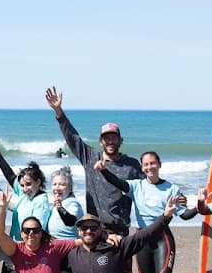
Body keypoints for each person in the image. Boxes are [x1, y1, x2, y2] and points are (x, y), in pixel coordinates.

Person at [44, 87, 141, 235]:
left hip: (120, 230)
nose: (110, 141)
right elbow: (73, 138)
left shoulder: (132, 165)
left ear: (120, 140)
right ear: (101, 142)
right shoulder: (91, 158)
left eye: (114, 137)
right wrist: (58, 111)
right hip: (95, 230)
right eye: (106, 138)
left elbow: (146, 192)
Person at [47, 166, 84, 240]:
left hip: (68, 243)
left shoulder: (73, 203)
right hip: (53, 242)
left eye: (62, 185)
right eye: (54, 184)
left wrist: (61, 209)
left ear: (70, 188)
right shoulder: (54, 204)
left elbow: (70, 221)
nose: (57, 188)